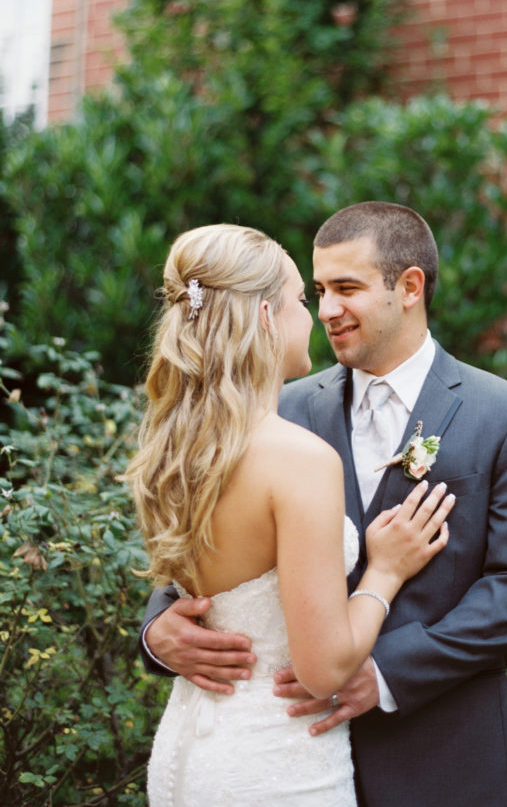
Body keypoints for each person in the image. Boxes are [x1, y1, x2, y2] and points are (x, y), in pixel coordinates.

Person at [141, 202, 507, 807]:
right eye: (316, 291)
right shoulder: (274, 406)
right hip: (283, 752)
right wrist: (160, 627)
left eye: (347, 288)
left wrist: (385, 673)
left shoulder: (504, 414)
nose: (327, 310)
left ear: (409, 287)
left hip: (441, 756)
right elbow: (210, 541)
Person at [126, 222, 455, 807]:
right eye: (302, 299)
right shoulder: (299, 458)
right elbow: (324, 669)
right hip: (276, 765)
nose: (318, 315)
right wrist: (386, 570)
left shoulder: (175, 450)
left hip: (187, 751)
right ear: (265, 317)